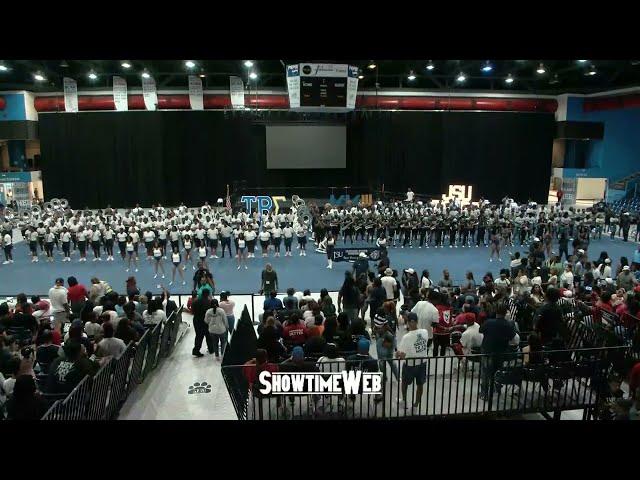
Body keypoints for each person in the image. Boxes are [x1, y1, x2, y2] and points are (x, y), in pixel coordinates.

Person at [479, 302, 517, 399]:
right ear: (506, 313)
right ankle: (497, 389)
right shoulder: (509, 325)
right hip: (500, 352)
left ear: (496, 311)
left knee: (485, 373)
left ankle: (484, 393)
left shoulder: (489, 322)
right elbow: (512, 338)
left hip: (487, 350)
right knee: (498, 371)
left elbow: (480, 330)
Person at [396, 312, 429, 410]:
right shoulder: (425, 332)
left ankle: (404, 401)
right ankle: (416, 405)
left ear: (408, 322)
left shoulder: (407, 337)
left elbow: (401, 355)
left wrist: (396, 354)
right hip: (422, 363)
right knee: (420, 384)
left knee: (405, 383)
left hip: (410, 365)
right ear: (417, 321)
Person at [192, 288, 213, 357]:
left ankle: (196, 350)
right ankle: (211, 349)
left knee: (198, 336)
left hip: (196, 320)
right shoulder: (209, 302)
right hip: (206, 321)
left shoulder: (195, 301)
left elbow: (193, 311)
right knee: (208, 335)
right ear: (208, 294)